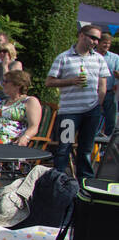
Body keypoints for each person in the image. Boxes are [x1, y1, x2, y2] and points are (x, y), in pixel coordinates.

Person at [45, 24, 109, 179]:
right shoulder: (64, 57)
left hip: (91, 112)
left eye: (97, 39)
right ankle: (58, 181)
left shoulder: (99, 59)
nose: (95, 42)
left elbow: (103, 85)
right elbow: (49, 82)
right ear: (81, 35)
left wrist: (99, 103)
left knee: (86, 149)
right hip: (69, 112)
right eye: (92, 37)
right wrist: (71, 81)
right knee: (64, 148)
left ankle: (85, 184)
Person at [98, 33, 119, 138]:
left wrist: (116, 82)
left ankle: (107, 146)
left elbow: (117, 74)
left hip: (110, 93)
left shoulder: (115, 57)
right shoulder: (92, 55)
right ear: (99, 43)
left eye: (109, 43)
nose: (106, 45)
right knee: (94, 119)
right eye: (104, 43)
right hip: (94, 93)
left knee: (111, 120)